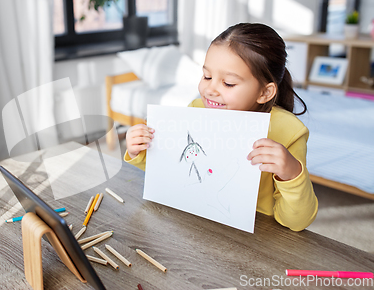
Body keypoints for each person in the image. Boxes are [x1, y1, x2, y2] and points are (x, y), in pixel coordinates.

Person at [124, 23, 318, 232]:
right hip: (197, 222)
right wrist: (141, 150)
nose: (210, 89)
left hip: (255, 239)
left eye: (228, 83)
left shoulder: (289, 132)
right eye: (207, 76)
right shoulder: (197, 109)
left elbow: (296, 222)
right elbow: (177, 171)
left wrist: (291, 173)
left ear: (264, 92)